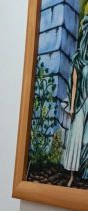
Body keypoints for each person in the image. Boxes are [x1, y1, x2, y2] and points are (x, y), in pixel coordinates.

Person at [62, 16, 88, 186]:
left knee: (86, 140)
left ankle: (84, 172)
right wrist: (71, 107)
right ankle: (72, 174)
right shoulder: (78, 58)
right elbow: (74, 86)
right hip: (80, 104)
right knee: (76, 138)